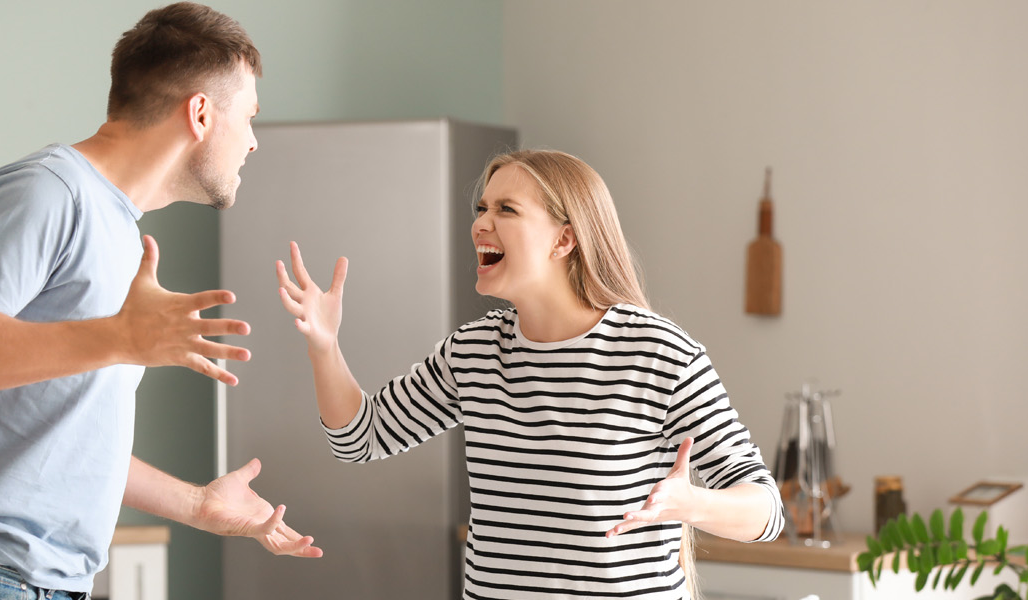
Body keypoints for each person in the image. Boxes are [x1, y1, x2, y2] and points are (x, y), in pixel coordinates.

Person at [0, 4, 320, 599]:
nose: (253, 143)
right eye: (248, 118)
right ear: (200, 113)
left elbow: (54, 436)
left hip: (31, 580)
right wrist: (121, 337)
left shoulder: (119, 229)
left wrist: (198, 505)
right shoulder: (47, 191)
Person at [275, 150, 783, 599]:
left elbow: (766, 510)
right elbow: (362, 437)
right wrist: (325, 346)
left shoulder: (658, 354)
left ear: (564, 240)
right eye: (481, 208)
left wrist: (691, 504)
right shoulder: (473, 352)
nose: (480, 223)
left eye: (506, 210)